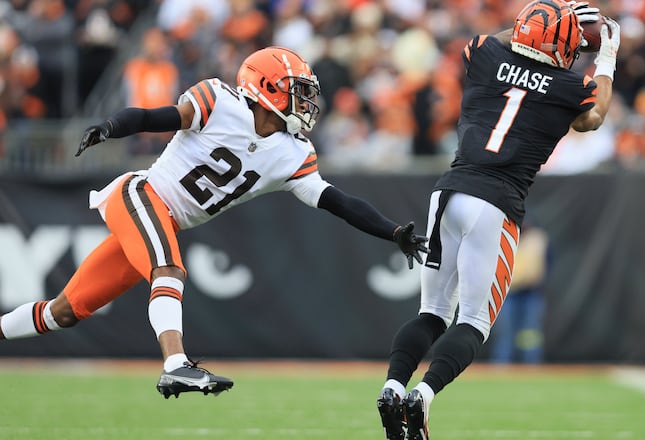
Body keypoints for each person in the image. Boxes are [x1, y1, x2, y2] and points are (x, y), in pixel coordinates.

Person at [0, 46, 428, 399]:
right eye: (296, 90)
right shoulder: (219, 101)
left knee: (65, 311)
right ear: (266, 88)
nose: (306, 100)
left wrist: (392, 231)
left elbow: (339, 201)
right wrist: (111, 126)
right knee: (168, 270)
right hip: (140, 196)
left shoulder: (292, 154)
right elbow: (155, 117)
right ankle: (175, 365)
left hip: (162, 221)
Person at [375, 1, 620, 439]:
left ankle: (393, 385)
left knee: (431, 313)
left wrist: (541, 22)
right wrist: (607, 57)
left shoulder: (486, 54)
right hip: (496, 204)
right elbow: (594, 117)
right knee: (473, 321)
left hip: (446, 194)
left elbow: (497, 41)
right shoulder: (570, 85)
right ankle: (423, 396)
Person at [489, 223, 551, 364]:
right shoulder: (504, 234)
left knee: (530, 332)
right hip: (508, 292)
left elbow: (548, 262)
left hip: (532, 292)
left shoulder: (537, 239)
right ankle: (501, 366)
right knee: (505, 332)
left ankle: (531, 366)